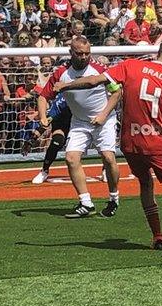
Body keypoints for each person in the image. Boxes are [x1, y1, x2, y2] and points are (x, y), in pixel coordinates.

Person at [55, 39, 162, 249]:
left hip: (130, 144)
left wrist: (65, 85)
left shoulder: (130, 66)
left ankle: (158, 236)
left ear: (159, 52)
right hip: (157, 145)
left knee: (146, 185)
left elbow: (93, 81)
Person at [38, 38, 123, 218]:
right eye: (79, 53)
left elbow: (117, 92)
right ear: (71, 52)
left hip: (104, 119)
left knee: (108, 157)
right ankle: (86, 203)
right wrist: (43, 116)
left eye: (87, 53)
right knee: (70, 158)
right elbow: (43, 96)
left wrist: (103, 115)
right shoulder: (61, 73)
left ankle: (113, 198)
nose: (84, 57)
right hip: (79, 121)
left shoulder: (99, 69)